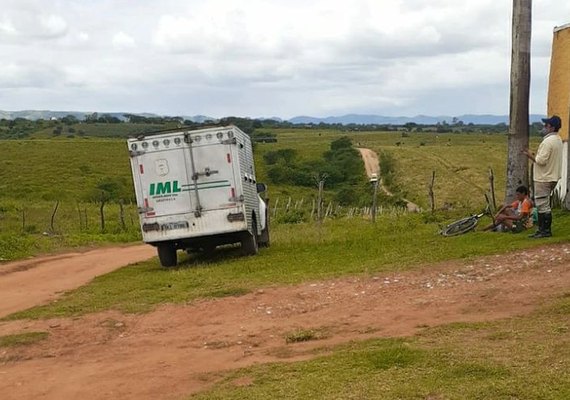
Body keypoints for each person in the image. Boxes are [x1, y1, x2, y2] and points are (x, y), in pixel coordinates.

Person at [522, 115, 563, 238]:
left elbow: (541, 161)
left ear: (552, 127)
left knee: (542, 205)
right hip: (552, 176)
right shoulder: (558, 140)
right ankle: (542, 230)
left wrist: (529, 155)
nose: (544, 127)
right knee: (544, 203)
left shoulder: (547, 142)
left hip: (543, 177)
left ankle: (545, 231)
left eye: (546, 125)